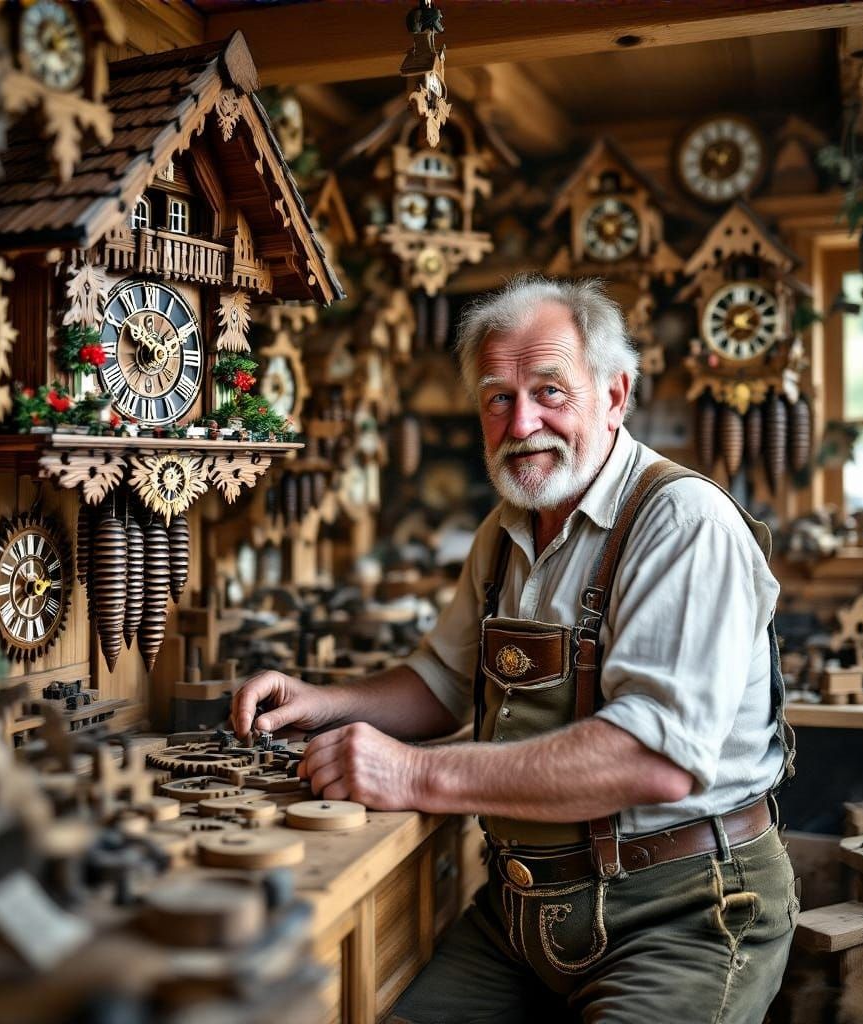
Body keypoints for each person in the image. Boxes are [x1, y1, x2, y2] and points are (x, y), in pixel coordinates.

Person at [232, 276, 797, 1023]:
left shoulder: (683, 523)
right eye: (499, 397)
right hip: (522, 908)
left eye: (550, 391)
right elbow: (440, 683)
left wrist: (412, 773)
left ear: (615, 396)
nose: (522, 420)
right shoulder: (507, 530)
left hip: (683, 913)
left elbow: (654, 759)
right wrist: (322, 702)